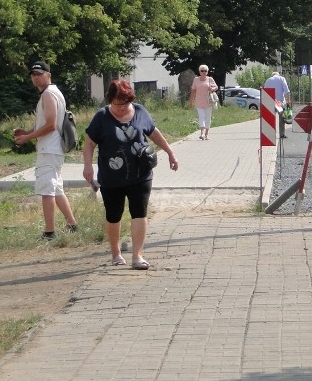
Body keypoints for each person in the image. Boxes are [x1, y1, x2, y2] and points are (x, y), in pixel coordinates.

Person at [82, 79, 179, 269]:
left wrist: (170, 152)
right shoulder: (101, 116)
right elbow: (89, 143)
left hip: (140, 174)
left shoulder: (140, 111)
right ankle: (116, 253)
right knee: (113, 216)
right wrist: (88, 166)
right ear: (110, 100)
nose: (120, 108)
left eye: (124, 103)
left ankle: (137, 256)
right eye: (116, 103)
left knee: (139, 213)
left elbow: (153, 132)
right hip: (111, 178)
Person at [13, 61, 78, 240]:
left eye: (40, 74)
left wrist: (27, 138)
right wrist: (27, 132)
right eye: (33, 74)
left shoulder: (49, 94)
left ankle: (49, 232)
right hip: (53, 148)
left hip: (49, 148)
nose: (36, 77)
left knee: (47, 190)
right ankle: (72, 224)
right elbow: (49, 123)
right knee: (56, 188)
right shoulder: (52, 93)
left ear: (48, 75)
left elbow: (50, 125)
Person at [188, 64, 218, 140]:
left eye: (205, 71)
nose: (204, 72)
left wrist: (212, 89)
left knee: (208, 118)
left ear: (207, 72)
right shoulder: (196, 79)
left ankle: (206, 134)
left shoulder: (210, 79)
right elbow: (193, 90)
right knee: (201, 117)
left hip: (208, 102)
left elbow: (216, 87)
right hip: (199, 102)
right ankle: (202, 133)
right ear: (199, 72)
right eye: (202, 71)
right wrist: (191, 101)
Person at [264, 71, 292, 138]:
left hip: (270, 102)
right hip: (280, 103)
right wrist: (288, 101)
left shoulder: (268, 80)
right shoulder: (281, 79)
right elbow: (287, 91)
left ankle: (269, 134)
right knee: (281, 119)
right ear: (278, 75)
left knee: (269, 119)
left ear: (272, 75)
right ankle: (281, 134)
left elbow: (265, 92)